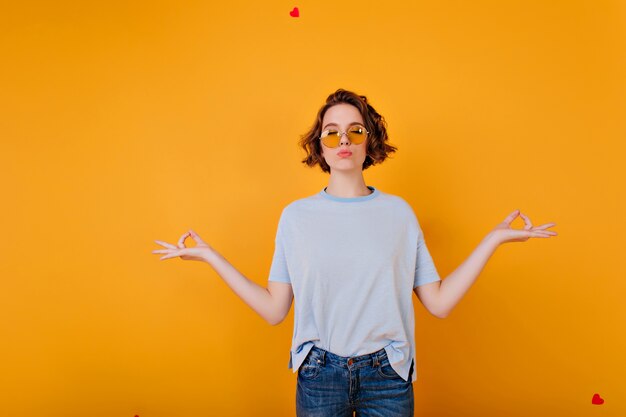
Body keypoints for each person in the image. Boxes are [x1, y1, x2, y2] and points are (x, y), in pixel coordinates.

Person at [152, 88, 558, 416]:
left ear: (370, 142)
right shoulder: (295, 218)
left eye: (355, 130)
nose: (343, 140)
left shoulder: (399, 214)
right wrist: (211, 257)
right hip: (318, 375)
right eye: (332, 132)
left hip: (388, 374)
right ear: (321, 147)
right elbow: (275, 310)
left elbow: (439, 302)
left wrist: (493, 240)